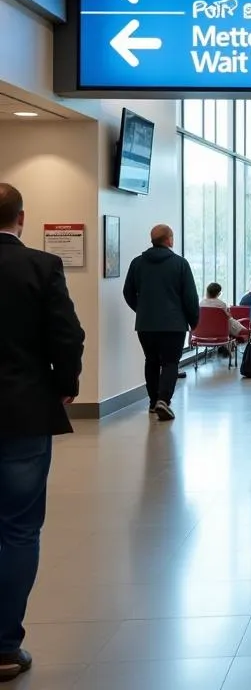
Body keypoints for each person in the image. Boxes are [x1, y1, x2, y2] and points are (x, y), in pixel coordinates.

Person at [0, 184, 85, 682]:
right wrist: (64, 385)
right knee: (18, 528)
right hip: (24, 413)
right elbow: (67, 336)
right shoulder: (40, 267)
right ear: (23, 218)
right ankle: (6, 646)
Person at [123, 224, 200, 422]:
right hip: (174, 325)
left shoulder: (137, 263)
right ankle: (163, 400)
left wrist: (142, 311)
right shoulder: (180, 264)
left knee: (151, 360)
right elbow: (190, 297)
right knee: (170, 362)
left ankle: (152, 402)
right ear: (169, 240)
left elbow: (128, 292)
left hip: (145, 325)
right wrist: (194, 321)